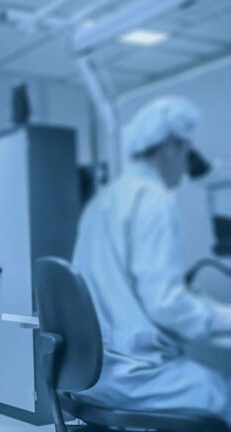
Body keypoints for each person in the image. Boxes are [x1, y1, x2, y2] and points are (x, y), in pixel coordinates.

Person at [72, 96, 231, 423]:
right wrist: (222, 316)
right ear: (170, 146)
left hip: (87, 372)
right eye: (186, 153)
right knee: (222, 393)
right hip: (133, 374)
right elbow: (165, 305)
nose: (185, 167)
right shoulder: (153, 200)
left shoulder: (102, 201)